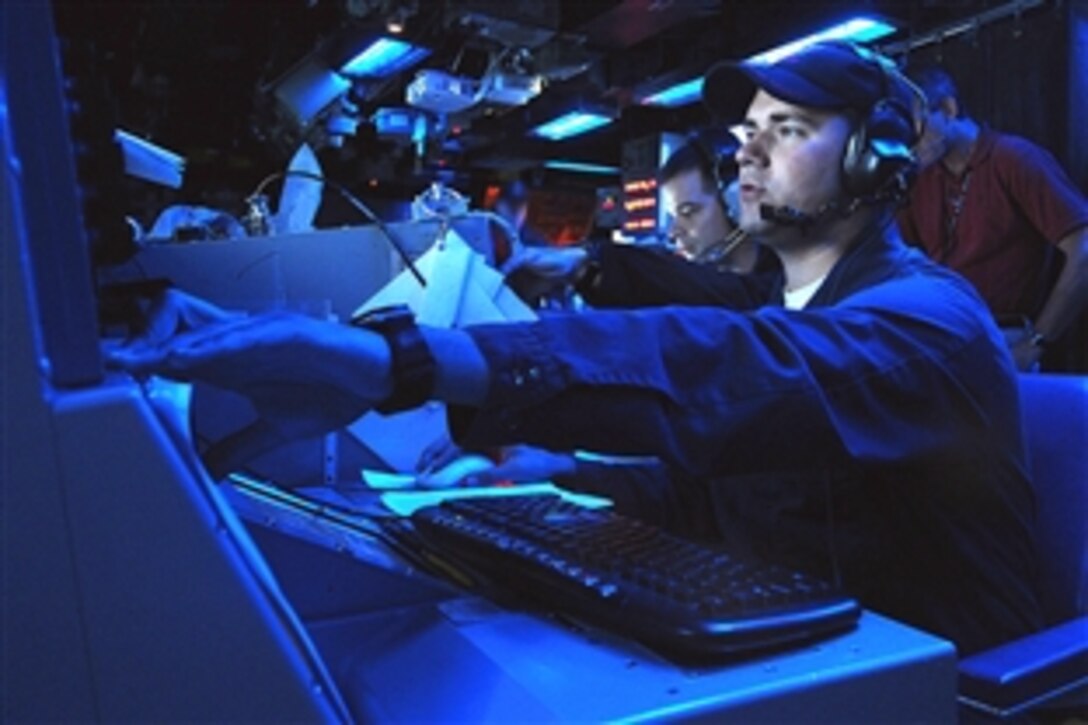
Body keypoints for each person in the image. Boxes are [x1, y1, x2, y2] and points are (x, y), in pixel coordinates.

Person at [110, 40, 1042, 656]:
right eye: (747, 133)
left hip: (949, 687)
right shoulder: (787, 301)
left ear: (879, 158)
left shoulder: (928, 324)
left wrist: (410, 361)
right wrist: (557, 479)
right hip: (821, 658)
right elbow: (728, 487)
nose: (747, 155)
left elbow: (731, 372)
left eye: (788, 132)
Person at [896, 64, 1088, 372]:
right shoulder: (921, 178)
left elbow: (1084, 248)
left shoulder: (1014, 159)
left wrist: (1035, 344)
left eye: (913, 127)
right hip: (939, 340)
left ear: (948, 108)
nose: (906, 143)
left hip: (1002, 338)